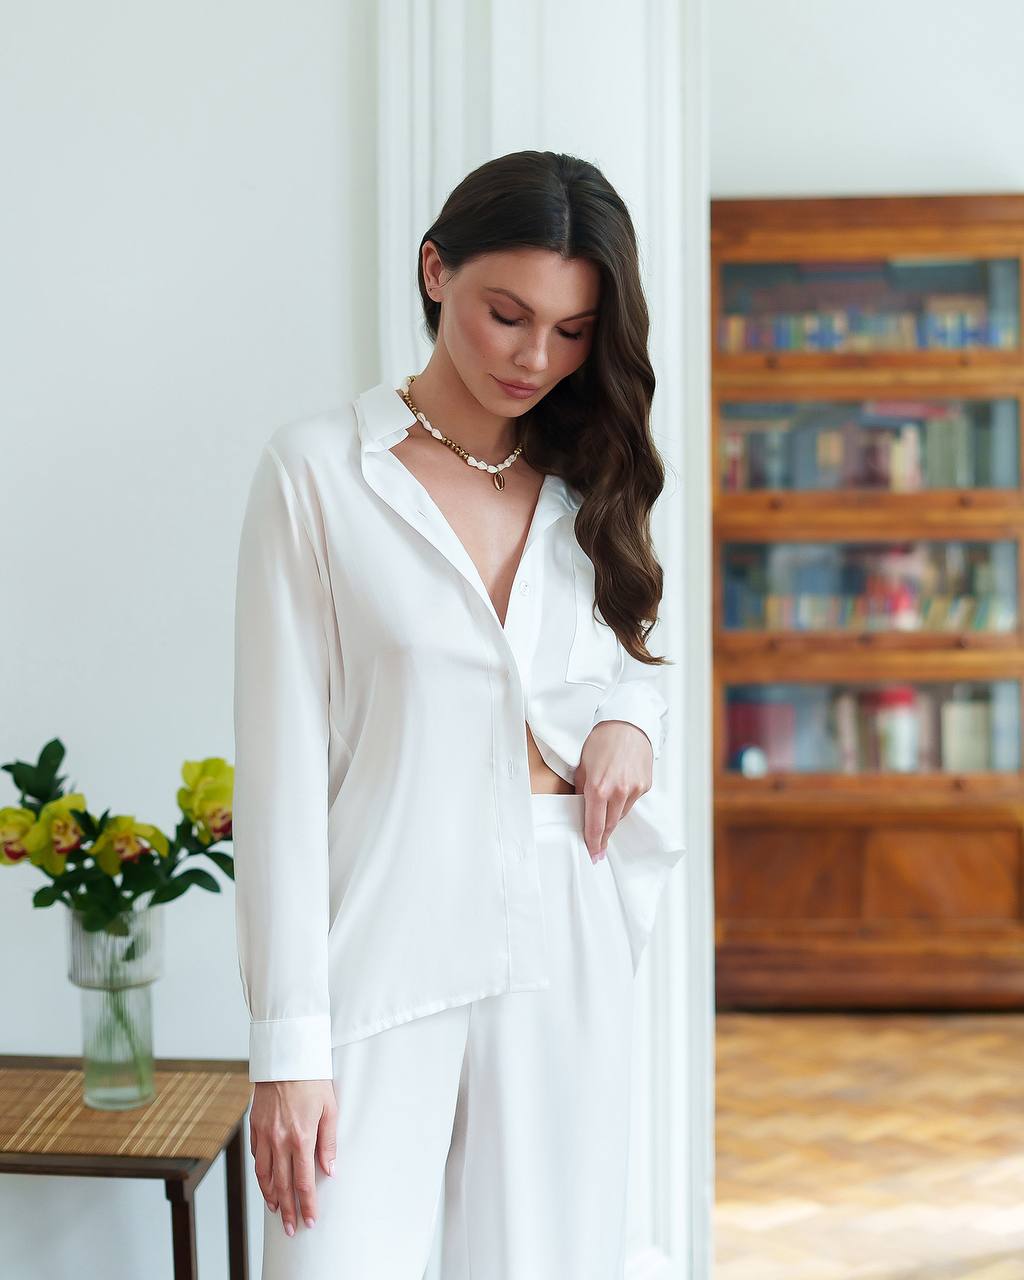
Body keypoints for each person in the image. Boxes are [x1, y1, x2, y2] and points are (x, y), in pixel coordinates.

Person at [232, 149, 685, 1279]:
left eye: (575, 330)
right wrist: (287, 1047)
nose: (538, 357)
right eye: (506, 313)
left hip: (563, 926)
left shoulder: (591, 477)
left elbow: (618, 668)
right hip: (384, 927)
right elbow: (279, 778)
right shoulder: (318, 473)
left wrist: (634, 722)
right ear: (436, 271)